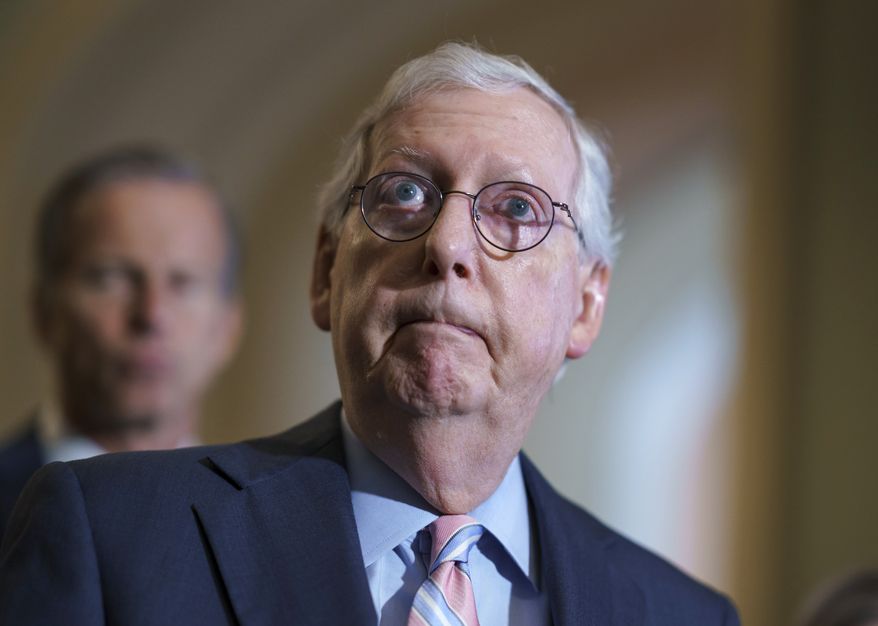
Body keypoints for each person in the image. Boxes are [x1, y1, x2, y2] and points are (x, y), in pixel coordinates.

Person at [0, 44, 738, 625]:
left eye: (516, 208)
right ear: (327, 270)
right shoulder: (112, 536)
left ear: (585, 304)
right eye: (406, 192)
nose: (447, 243)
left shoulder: (682, 615)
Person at [0, 146, 243, 537]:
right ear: (44, 312)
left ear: (229, 326)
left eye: (183, 282)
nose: (151, 315)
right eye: (111, 278)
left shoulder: (263, 527)